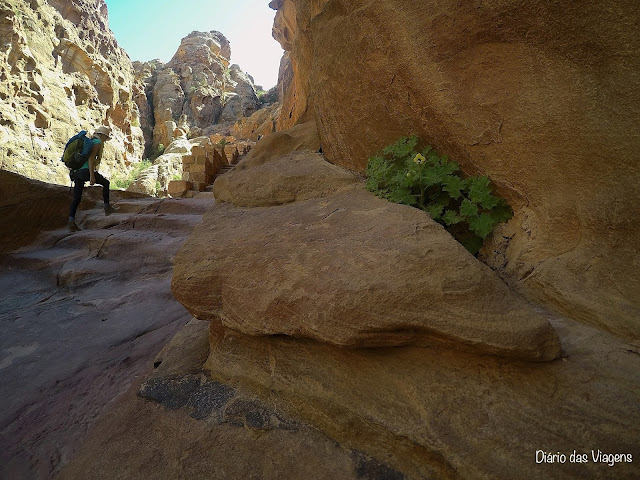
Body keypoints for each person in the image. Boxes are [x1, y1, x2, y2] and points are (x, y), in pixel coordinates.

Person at [68, 125, 117, 232]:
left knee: (77, 198)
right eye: (105, 137)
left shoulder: (89, 141)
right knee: (106, 183)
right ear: (102, 136)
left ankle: (71, 222)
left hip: (77, 172)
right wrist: (92, 176)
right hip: (86, 171)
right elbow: (91, 159)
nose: (105, 140)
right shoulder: (97, 143)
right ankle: (107, 208)